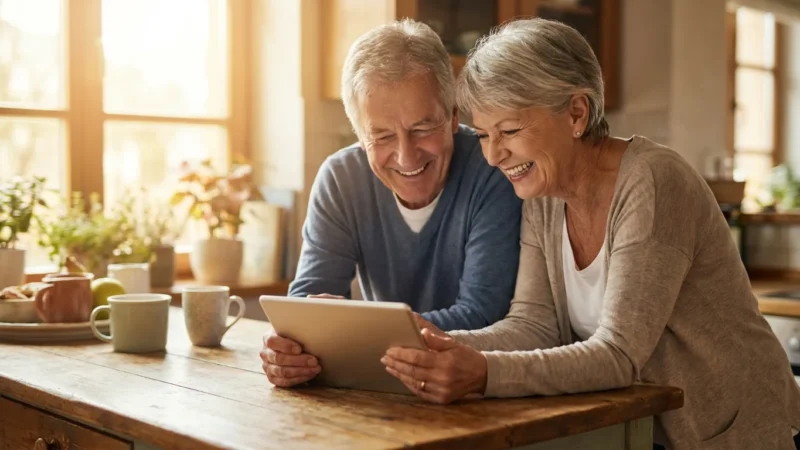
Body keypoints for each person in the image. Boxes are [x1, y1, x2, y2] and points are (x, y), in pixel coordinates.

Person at [379, 18, 800, 450]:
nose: (492, 155)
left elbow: (619, 354)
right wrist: (432, 344)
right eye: (484, 135)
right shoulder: (543, 194)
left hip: (734, 430)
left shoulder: (651, 181)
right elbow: (532, 324)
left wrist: (484, 371)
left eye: (509, 131)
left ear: (576, 113)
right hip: (646, 432)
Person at [260, 20, 522, 386]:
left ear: (452, 117)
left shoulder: (492, 169)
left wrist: (349, 330)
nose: (406, 155)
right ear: (359, 135)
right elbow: (307, 307)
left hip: (472, 390)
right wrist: (287, 351)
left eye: (422, 128)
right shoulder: (341, 177)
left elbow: (483, 314)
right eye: (381, 135)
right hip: (379, 390)